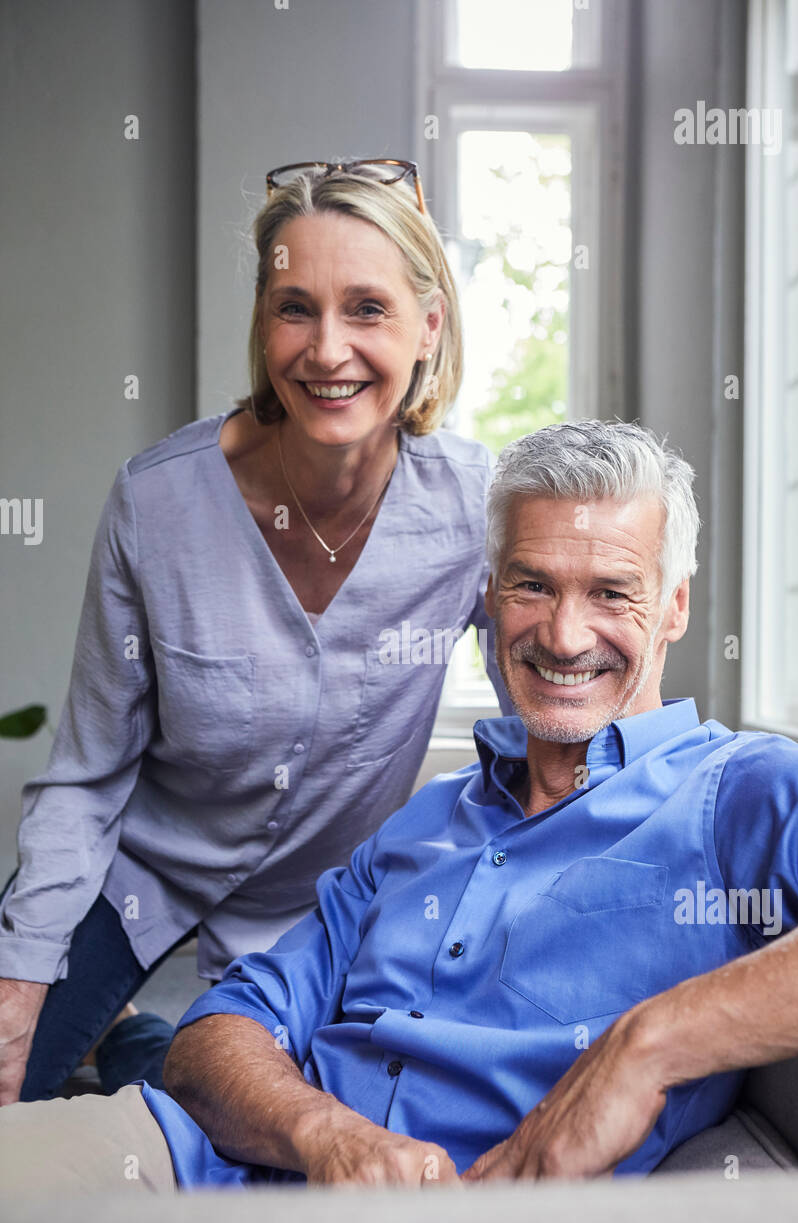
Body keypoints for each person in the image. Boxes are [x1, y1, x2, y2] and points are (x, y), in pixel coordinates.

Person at [3, 416, 798, 1192]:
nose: (565, 635)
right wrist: (322, 1134)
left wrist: (652, 1045)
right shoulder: (425, 821)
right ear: (489, 596)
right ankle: (123, 1037)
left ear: (674, 607)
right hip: (195, 1163)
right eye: (532, 585)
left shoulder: (739, 790)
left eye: (611, 591)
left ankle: (120, 1036)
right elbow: (217, 1031)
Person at [0, 158, 511, 1106]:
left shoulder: (474, 508)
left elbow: (536, 727)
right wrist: (19, 976)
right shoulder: (157, 500)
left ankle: (138, 1042)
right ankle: (111, 1023)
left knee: (243, 1118)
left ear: (428, 327)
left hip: (325, 905)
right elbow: (87, 772)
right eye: (294, 307)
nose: (327, 350)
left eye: (367, 308)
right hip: (137, 872)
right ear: (261, 323)